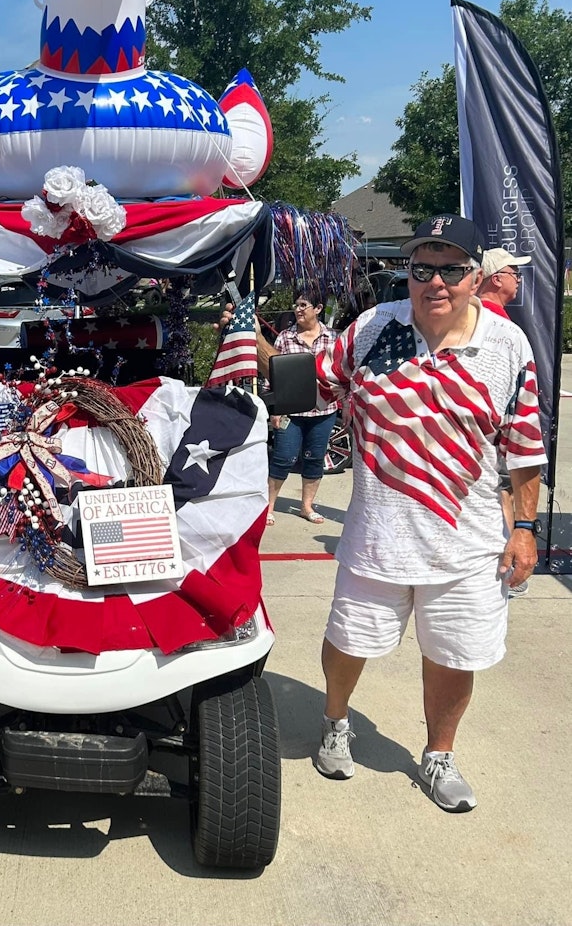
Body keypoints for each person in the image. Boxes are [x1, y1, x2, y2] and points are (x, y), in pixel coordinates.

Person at [219, 214, 546, 812]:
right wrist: (252, 340)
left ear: (475, 277)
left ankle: (439, 753)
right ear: (409, 272)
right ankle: (334, 721)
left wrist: (524, 529)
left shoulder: (507, 344)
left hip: (466, 542)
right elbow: (309, 380)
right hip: (377, 536)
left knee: (454, 655)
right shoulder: (374, 327)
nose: (436, 282)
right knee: (348, 641)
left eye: (451, 268)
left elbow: (524, 448)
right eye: (423, 267)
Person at [476, 247, 535, 595]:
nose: (519, 279)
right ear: (497, 279)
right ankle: (506, 566)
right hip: (494, 438)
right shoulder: (496, 325)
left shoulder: (473, 317)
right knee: (501, 492)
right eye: (515, 272)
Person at [266, 286, 340, 525]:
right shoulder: (285, 338)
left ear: (318, 309)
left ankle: (306, 507)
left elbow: (341, 373)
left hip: (324, 410)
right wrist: (275, 409)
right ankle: (268, 508)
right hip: (291, 411)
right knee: (283, 458)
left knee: (315, 458)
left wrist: (345, 402)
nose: (297, 310)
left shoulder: (333, 338)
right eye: (296, 305)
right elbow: (273, 374)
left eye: (303, 305)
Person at [477, 247, 531, 319]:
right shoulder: (495, 316)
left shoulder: (473, 312)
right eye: (516, 274)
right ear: (497, 280)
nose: (519, 280)